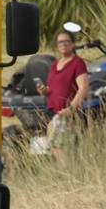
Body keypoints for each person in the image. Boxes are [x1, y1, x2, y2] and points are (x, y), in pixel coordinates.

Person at [41, 24, 90, 158]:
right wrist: (44, 91)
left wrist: (71, 108)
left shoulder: (77, 63)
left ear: (73, 44)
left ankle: (67, 177)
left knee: (64, 151)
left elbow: (84, 87)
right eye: (60, 42)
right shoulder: (54, 64)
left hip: (68, 114)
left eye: (67, 41)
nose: (63, 44)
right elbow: (52, 89)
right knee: (54, 150)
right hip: (53, 114)